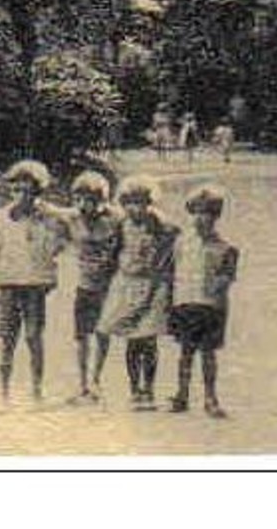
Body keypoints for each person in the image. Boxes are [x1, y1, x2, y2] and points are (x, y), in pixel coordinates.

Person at [0, 159, 69, 404]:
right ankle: (3, 391)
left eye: (29, 191)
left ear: (38, 192)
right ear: (11, 190)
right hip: (8, 284)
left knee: (33, 336)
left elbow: (67, 232)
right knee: (7, 338)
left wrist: (51, 260)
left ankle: (36, 389)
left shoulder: (48, 216)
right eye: (17, 190)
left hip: (34, 286)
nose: (22, 196)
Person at [100, 174, 177, 411]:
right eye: (130, 203)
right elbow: (112, 255)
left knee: (149, 340)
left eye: (141, 202)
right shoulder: (121, 226)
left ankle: (149, 388)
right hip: (127, 285)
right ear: (123, 204)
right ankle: (134, 388)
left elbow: (172, 251)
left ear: (150, 202)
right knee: (132, 341)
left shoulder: (161, 226)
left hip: (153, 286)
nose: (136, 208)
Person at [168, 183, 239, 419]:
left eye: (207, 213)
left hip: (210, 307)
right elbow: (172, 271)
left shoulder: (225, 248)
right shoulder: (181, 243)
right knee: (185, 352)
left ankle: (210, 397)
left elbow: (227, 277)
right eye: (197, 212)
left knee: (208, 354)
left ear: (216, 217)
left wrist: (218, 286)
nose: (201, 218)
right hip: (186, 303)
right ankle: (182, 393)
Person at [61, 170, 123, 404]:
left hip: (108, 286)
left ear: (103, 200)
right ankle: (83, 383)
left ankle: (96, 380)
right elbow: (49, 210)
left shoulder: (116, 218)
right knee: (81, 336)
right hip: (84, 286)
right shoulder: (73, 217)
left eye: (91, 200)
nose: (84, 205)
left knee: (102, 333)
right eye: (79, 199)